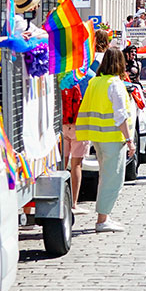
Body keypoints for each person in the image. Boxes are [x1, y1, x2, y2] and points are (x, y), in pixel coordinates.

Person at [73, 48, 136, 232]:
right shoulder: (115, 84)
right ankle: (102, 219)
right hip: (113, 139)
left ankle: (104, 216)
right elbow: (121, 115)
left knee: (105, 177)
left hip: (98, 137)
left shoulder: (95, 81)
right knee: (112, 179)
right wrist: (130, 140)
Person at [60, 27, 109, 208]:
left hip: (62, 122)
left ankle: (58, 199)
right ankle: (73, 203)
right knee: (76, 165)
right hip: (81, 124)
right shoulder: (88, 75)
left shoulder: (62, 73)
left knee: (61, 164)